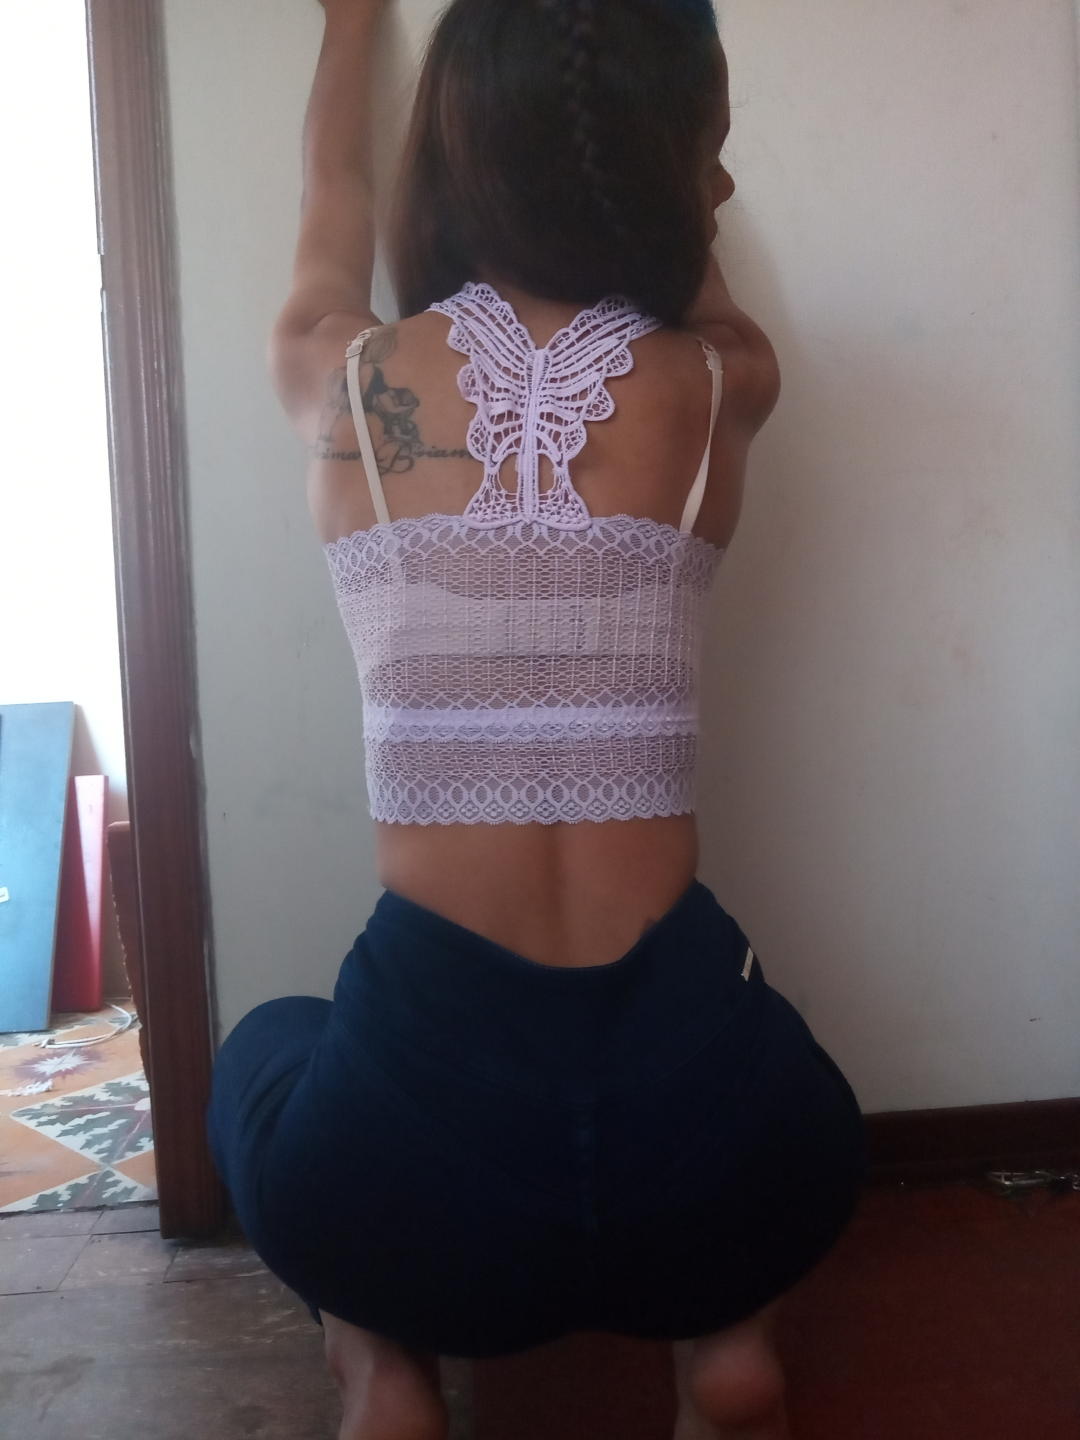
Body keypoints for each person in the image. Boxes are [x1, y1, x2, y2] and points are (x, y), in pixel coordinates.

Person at [206, 2, 868, 1437]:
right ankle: (725, 1340)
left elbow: (332, 200)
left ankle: (383, 1363)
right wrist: (664, 163)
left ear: (457, 145)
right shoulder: (720, 382)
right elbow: (697, 246)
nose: (728, 181)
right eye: (713, 151)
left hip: (416, 1158)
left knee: (262, 1044)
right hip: (707, 1136)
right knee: (791, 1070)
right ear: (669, 168)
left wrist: (349, 29)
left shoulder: (342, 378)